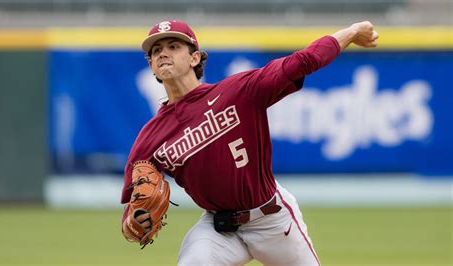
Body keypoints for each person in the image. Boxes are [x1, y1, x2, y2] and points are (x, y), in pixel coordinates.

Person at [121, 20, 378, 265]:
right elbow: (132, 202)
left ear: (195, 57)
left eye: (173, 46)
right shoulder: (151, 135)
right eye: (156, 51)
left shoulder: (237, 92)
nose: (163, 53)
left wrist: (352, 32)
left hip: (272, 221)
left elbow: (303, 61)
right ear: (152, 66)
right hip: (218, 229)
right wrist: (134, 220)